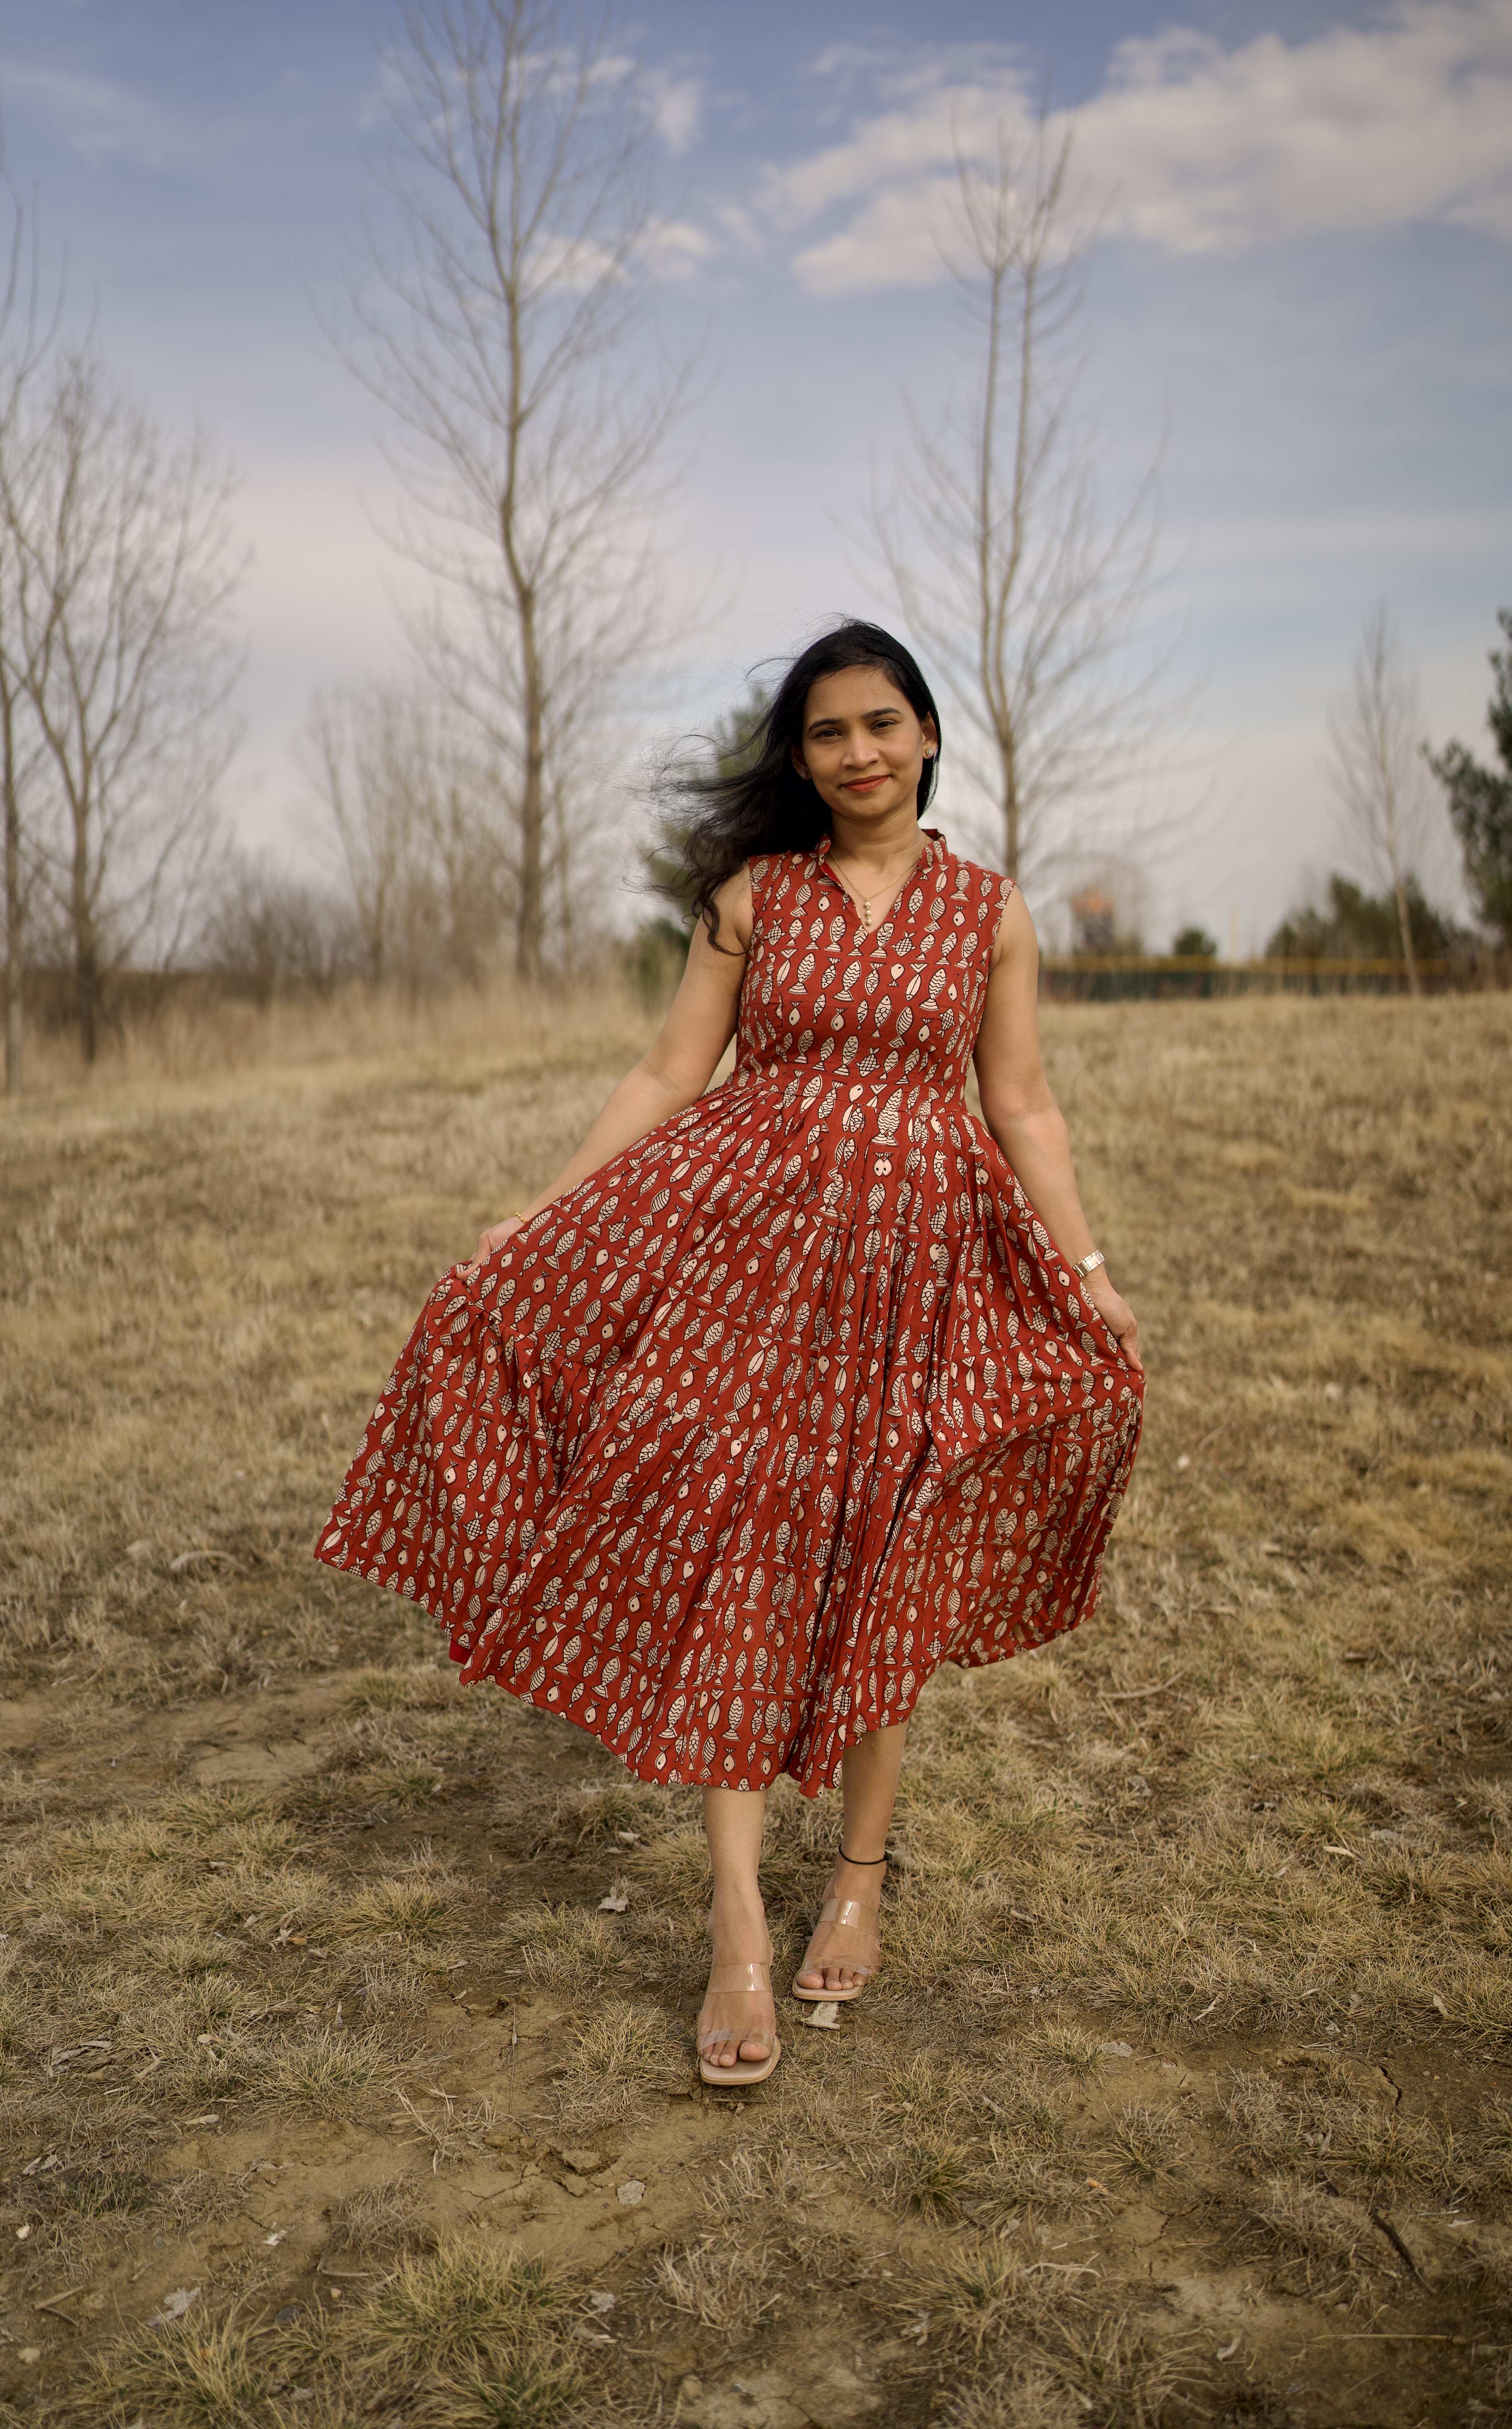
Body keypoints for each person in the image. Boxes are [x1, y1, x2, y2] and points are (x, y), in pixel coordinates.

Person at [314, 620, 1143, 2087]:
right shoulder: (753, 900)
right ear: (801, 757)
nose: (859, 753)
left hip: (920, 1285)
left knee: (889, 1553)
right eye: (828, 734)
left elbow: (1023, 1107)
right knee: (748, 1546)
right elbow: (666, 1071)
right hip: (751, 1269)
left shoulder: (993, 914)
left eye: (883, 724)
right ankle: (741, 1922)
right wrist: (547, 1210)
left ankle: (862, 1881)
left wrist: (1086, 1272)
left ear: (930, 736)